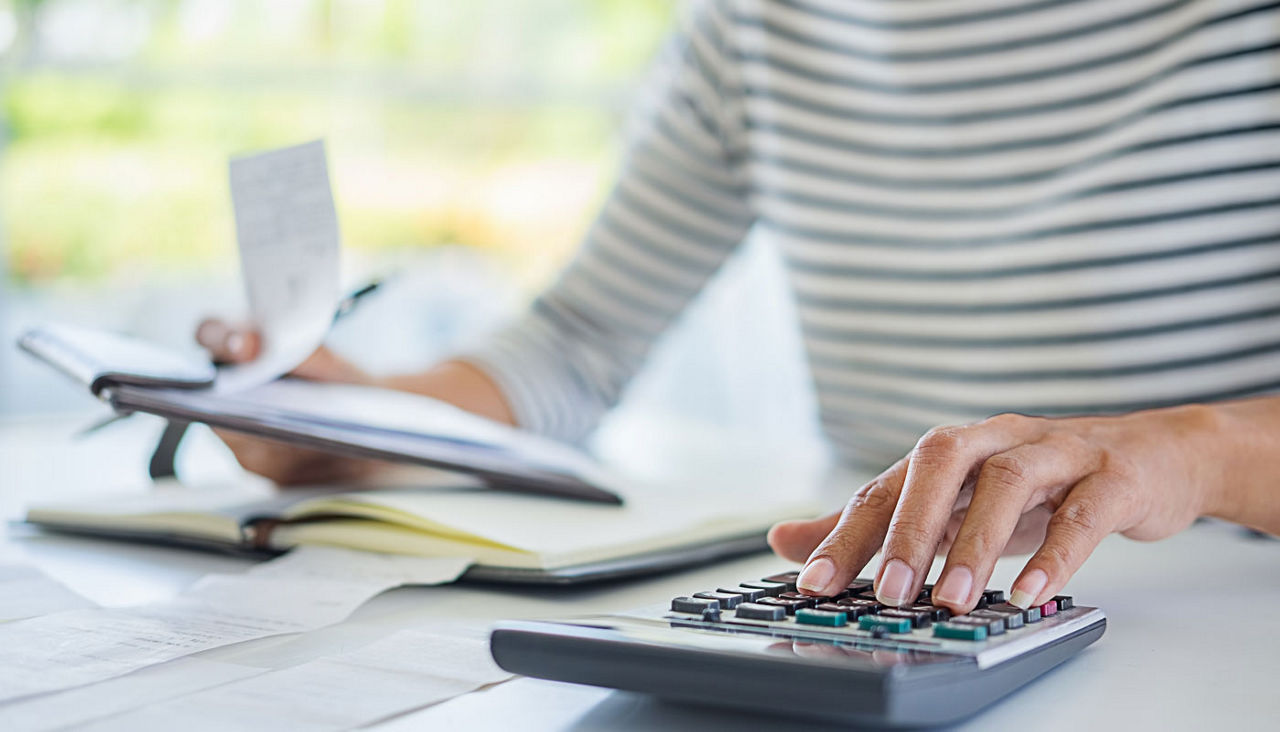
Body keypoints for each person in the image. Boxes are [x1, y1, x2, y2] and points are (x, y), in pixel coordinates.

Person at [198, 0, 1280, 615]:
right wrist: (361, 424)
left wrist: (1187, 454)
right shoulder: (756, 25)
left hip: (1224, 611)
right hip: (886, 604)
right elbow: (578, 343)